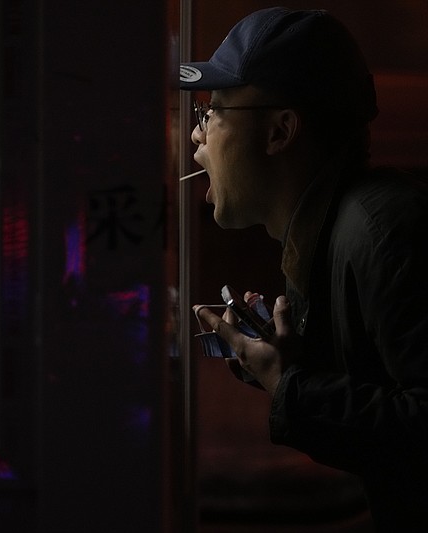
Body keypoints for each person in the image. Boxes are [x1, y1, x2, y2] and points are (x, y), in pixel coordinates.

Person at [182, 7, 428, 530]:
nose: (197, 139)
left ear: (280, 131)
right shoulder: (329, 234)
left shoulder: (386, 234)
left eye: (214, 112)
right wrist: (288, 361)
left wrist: (289, 385)